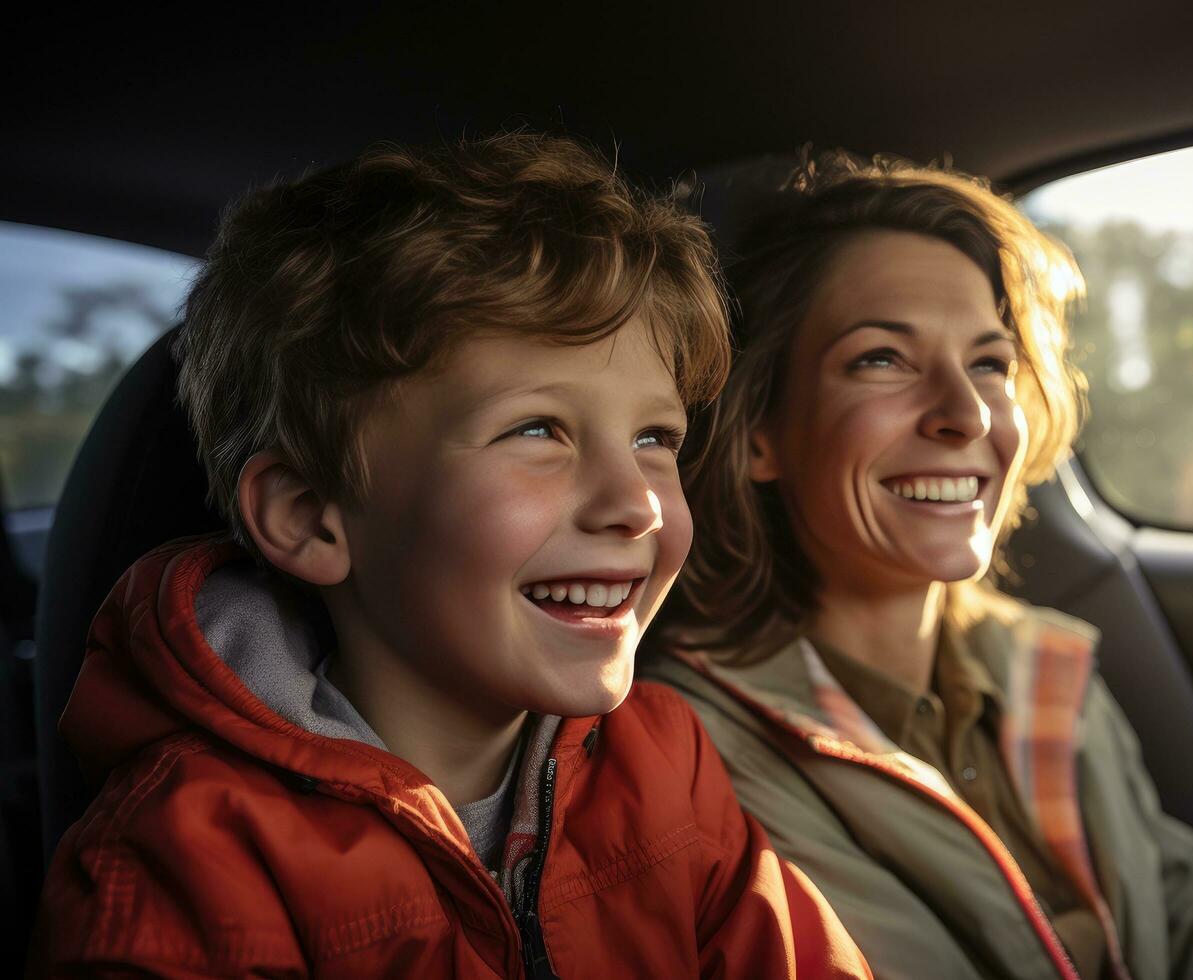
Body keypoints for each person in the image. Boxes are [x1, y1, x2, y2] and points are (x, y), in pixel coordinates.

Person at [26, 135, 869, 978]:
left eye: (655, 437)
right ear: (311, 518)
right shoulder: (187, 865)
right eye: (537, 430)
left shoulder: (663, 766)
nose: (638, 503)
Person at [646, 151, 1193, 980]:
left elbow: (1185, 910)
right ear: (759, 431)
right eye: (883, 358)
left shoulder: (1044, 665)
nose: (967, 412)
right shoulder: (695, 755)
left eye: (989, 362)